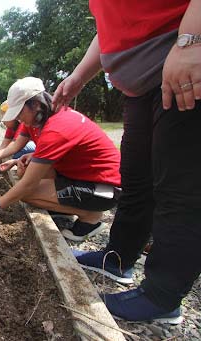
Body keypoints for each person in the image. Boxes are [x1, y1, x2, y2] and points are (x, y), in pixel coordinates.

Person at [52, 0, 200, 324]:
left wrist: (191, 40)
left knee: (176, 187)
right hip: (140, 87)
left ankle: (162, 295)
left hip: (180, 65)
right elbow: (109, 30)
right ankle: (118, 258)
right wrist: (78, 76)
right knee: (136, 179)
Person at [0, 77, 121, 243]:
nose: (19, 119)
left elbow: (28, 184)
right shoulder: (43, 116)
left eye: (20, 112)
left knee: (27, 193)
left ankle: (90, 216)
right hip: (83, 178)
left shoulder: (57, 127)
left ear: (34, 104)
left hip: (103, 189)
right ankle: (65, 208)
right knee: (24, 171)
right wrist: (31, 157)